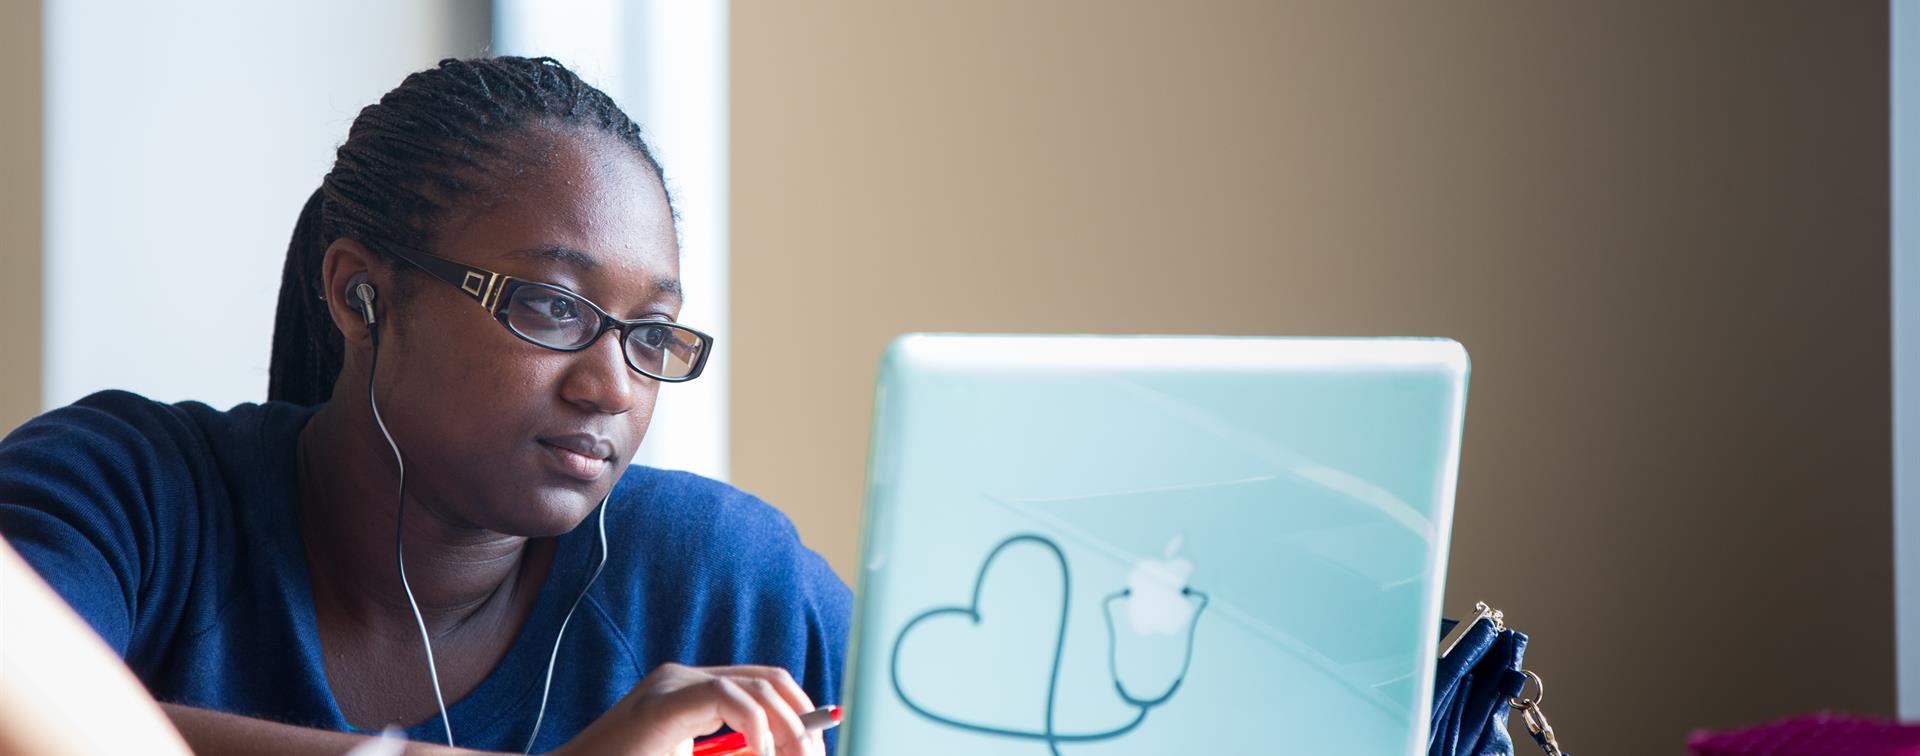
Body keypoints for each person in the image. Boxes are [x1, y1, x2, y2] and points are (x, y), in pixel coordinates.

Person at [0, 56, 848, 756]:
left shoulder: (725, 583)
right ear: (359, 293)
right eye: (552, 306)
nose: (613, 387)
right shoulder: (128, 494)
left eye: (652, 334)